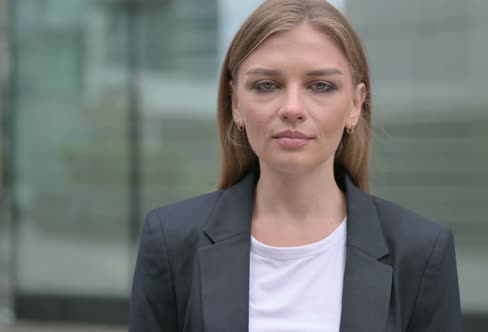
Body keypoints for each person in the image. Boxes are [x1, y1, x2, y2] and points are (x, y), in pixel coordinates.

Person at [129, 0, 462, 331]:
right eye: (266, 85)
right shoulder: (171, 241)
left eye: (320, 86)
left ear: (356, 105)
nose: (292, 108)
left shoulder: (421, 251)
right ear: (235, 104)